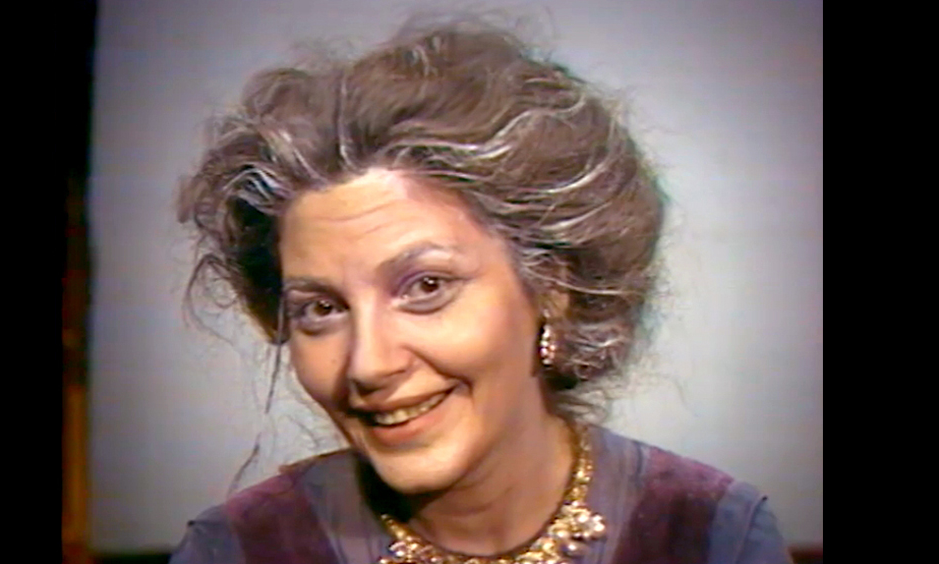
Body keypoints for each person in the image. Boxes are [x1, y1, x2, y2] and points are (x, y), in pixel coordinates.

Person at [171, 19, 792, 564]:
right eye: (323, 309)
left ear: (552, 287)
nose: (369, 365)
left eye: (426, 287)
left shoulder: (710, 533)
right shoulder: (241, 548)